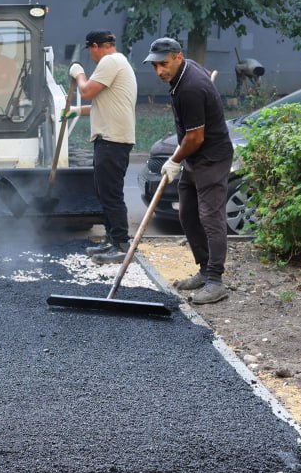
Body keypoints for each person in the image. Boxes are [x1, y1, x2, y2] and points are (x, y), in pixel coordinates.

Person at [143, 37, 234, 305]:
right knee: (187, 213)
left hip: (211, 158)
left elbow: (195, 138)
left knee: (210, 216)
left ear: (178, 57)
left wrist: (173, 159)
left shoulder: (190, 88)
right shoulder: (187, 72)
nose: (160, 71)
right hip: (194, 158)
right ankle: (205, 269)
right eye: (155, 66)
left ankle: (216, 281)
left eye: (164, 64)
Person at [68, 30, 138, 264]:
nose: (91, 55)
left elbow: (86, 91)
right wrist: (76, 111)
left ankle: (120, 243)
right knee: (103, 191)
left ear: (96, 46)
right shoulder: (120, 63)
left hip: (113, 140)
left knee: (111, 193)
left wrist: (78, 73)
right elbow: (104, 104)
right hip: (110, 138)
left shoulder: (110, 61)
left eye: (90, 51)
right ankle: (111, 238)